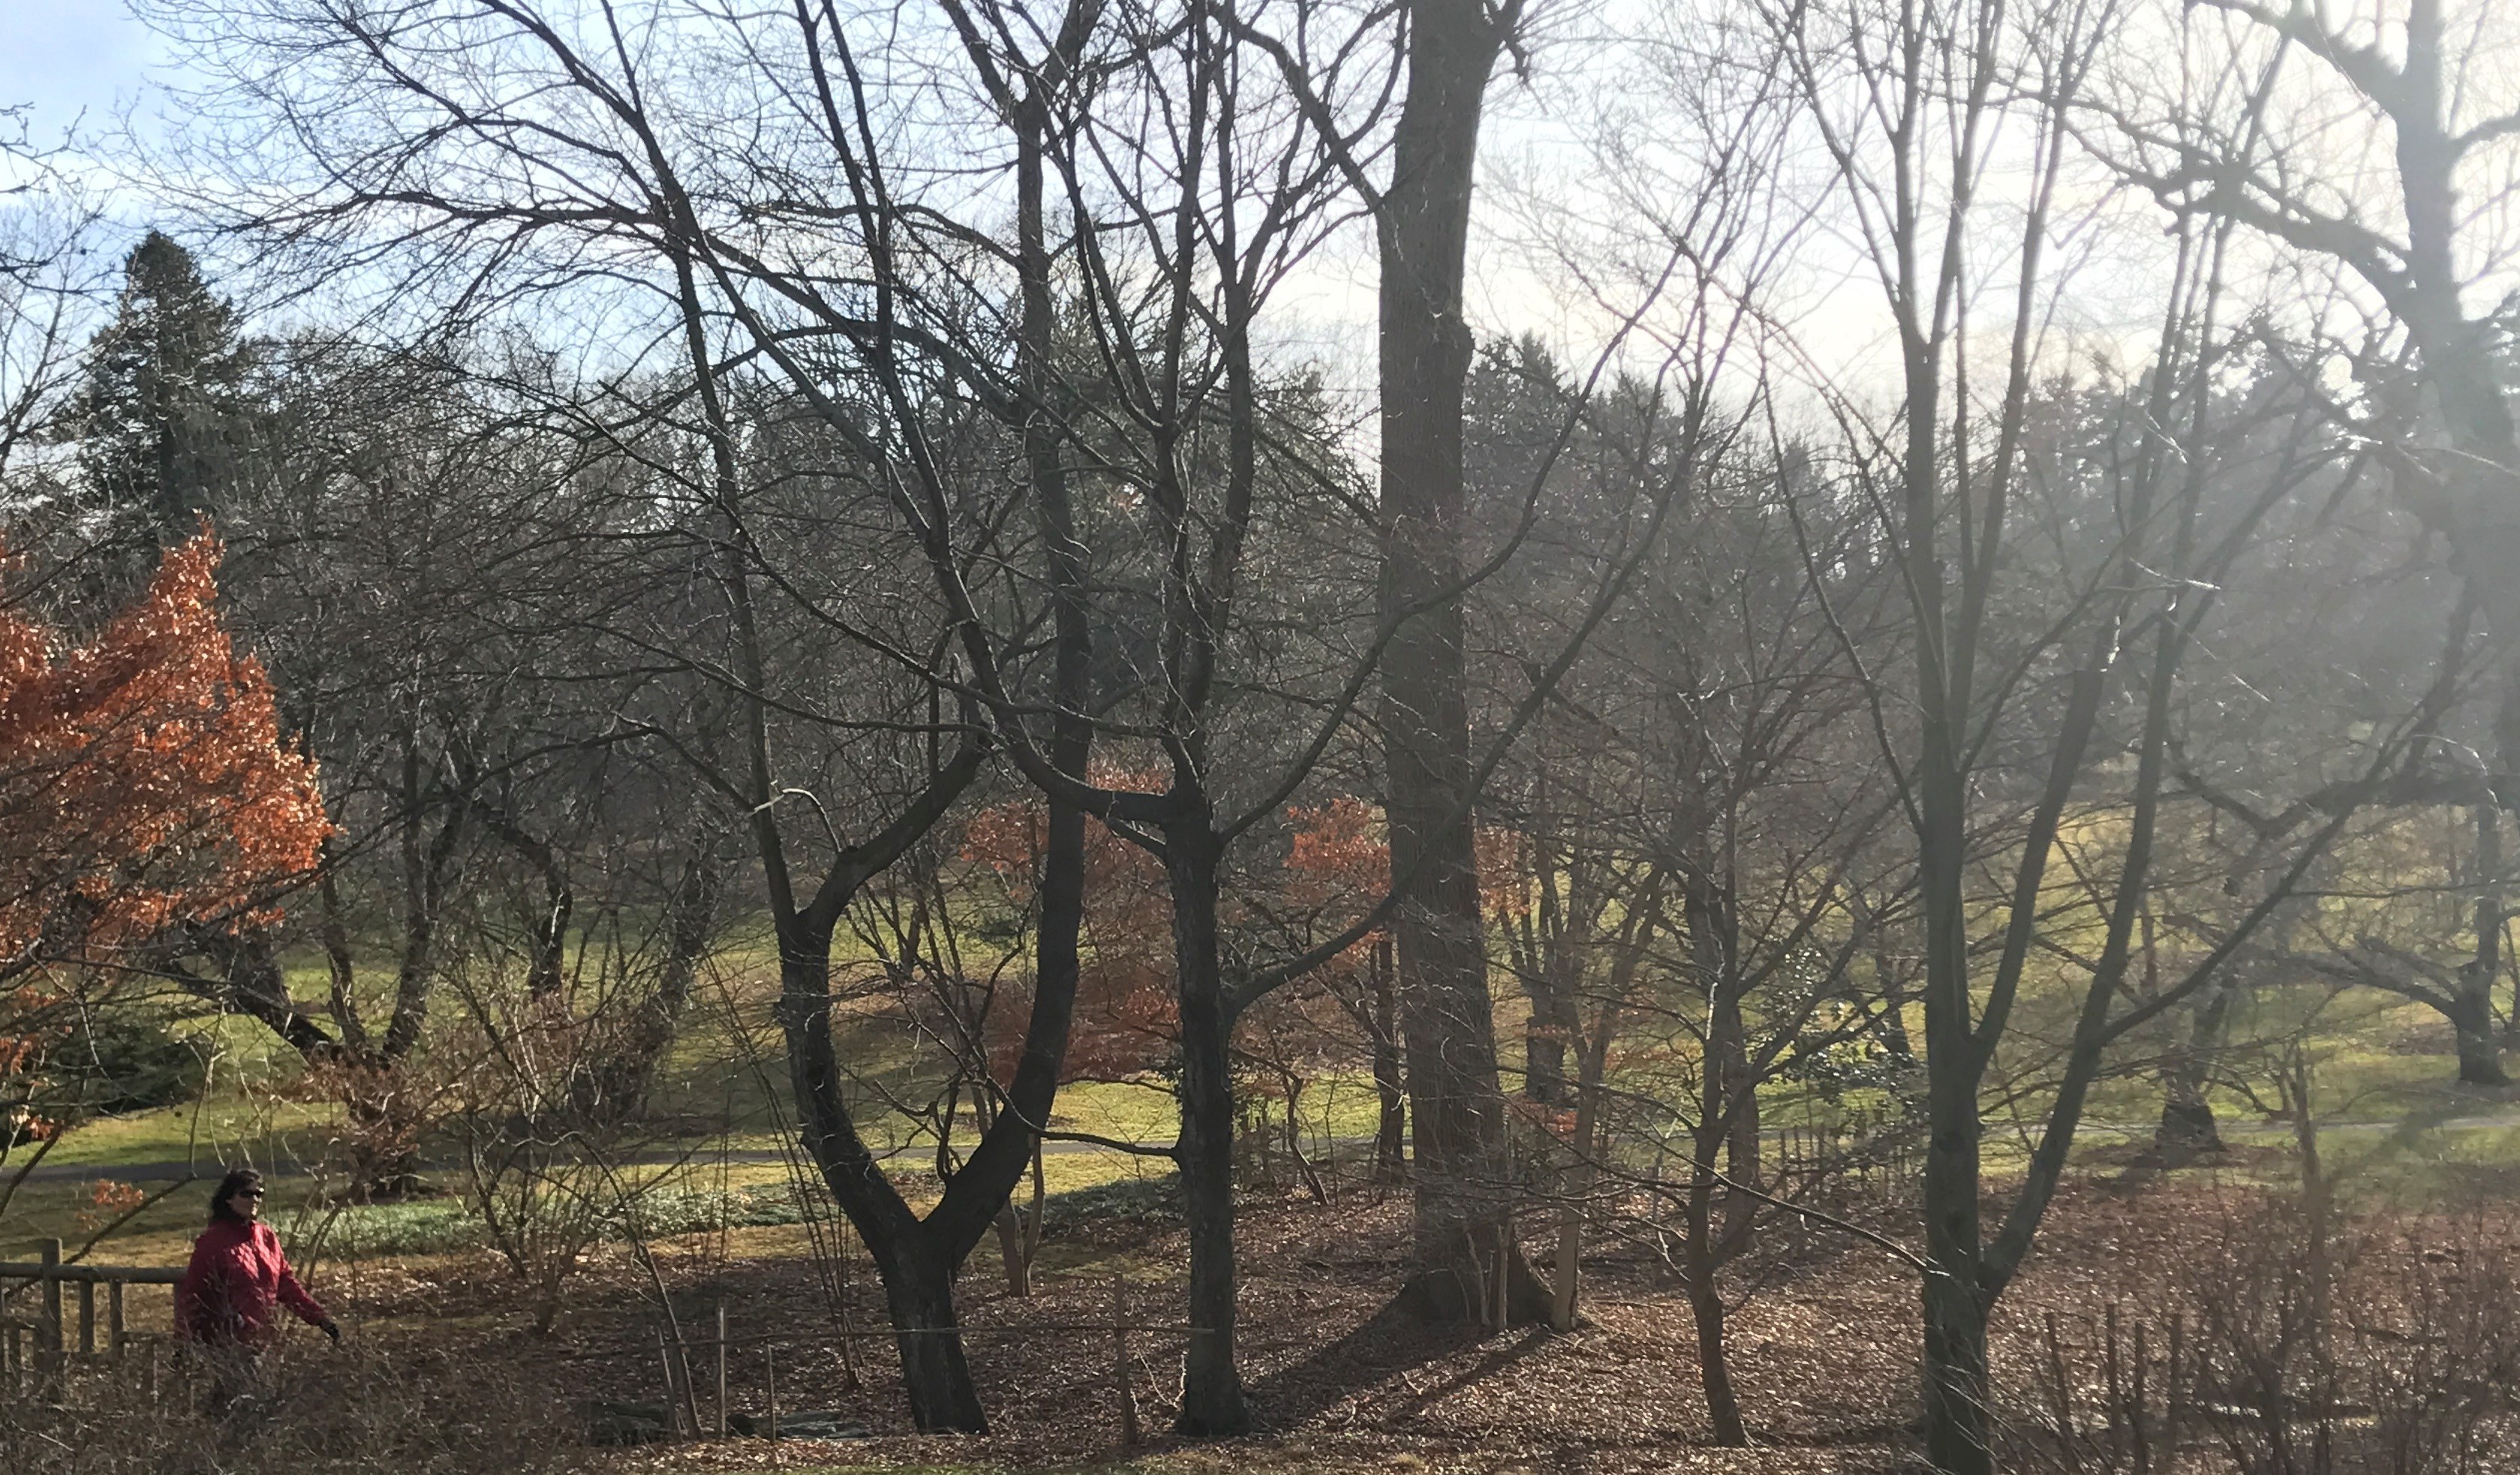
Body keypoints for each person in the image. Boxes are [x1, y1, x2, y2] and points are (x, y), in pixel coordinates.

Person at [175, 1169, 338, 1413]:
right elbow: (194, 1292)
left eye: (259, 1194)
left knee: (241, 1406)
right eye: (246, 1193)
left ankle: (210, 1429)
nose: (254, 1199)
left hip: (262, 1338)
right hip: (227, 1339)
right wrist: (183, 1341)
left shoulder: (266, 1237)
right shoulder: (213, 1242)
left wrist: (319, 1318)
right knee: (243, 1404)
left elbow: (286, 1284)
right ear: (229, 1199)